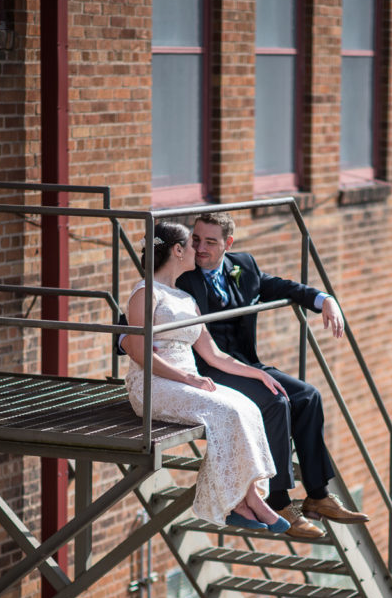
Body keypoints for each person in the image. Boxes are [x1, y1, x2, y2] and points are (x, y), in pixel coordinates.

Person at [173, 212, 369, 540]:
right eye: (195, 239)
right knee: (275, 402)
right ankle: (279, 502)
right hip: (206, 369)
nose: (200, 248)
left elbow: (281, 287)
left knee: (307, 396)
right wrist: (125, 340)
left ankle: (318, 496)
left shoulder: (243, 266)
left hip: (245, 363)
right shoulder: (182, 272)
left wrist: (325, 301)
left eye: (210, 242)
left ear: (228, 244)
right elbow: (143, 309)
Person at [123, 222, 290, 533]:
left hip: (186, 382)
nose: (197, 250)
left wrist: (257, 373)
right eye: (191, 244)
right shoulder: (146, 292)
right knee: (225, 411)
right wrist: (188, 379)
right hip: (154, 385)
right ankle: (236, 502)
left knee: (247, 406)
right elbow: (139, 352)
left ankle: (245, 499)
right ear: (177, 250)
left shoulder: (185, 298)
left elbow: (213, 354)